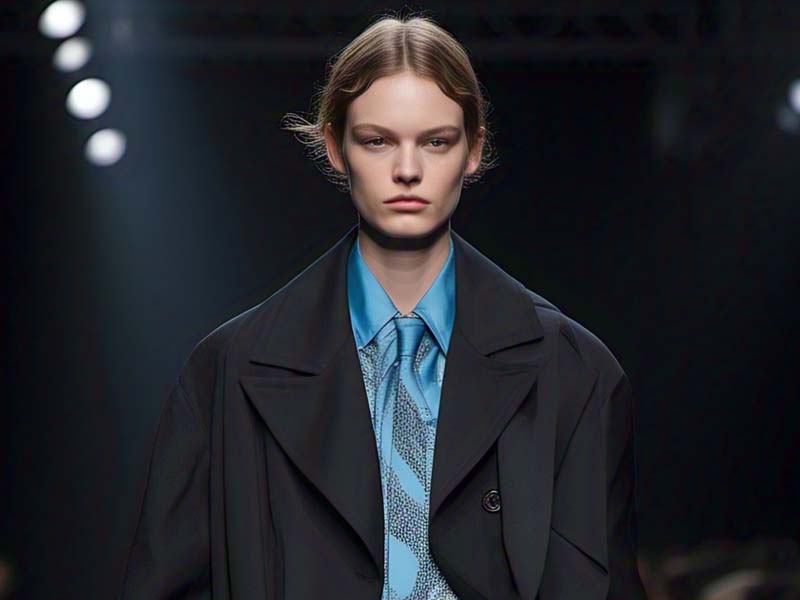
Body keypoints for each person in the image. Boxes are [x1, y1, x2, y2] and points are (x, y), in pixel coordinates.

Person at [118, 11, 647, 600]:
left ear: (473, 150)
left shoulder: (573, 372)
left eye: (436, 142)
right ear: (335, 148)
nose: (407, 170)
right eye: (377, 141)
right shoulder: (228, 373)